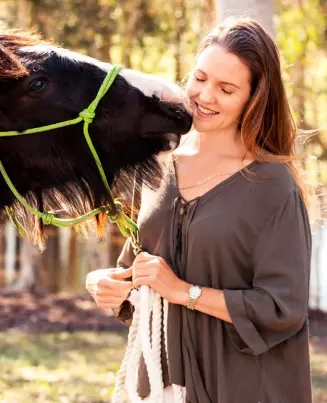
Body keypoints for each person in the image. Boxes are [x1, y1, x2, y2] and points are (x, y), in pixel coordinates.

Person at [86, 17, 315, 403]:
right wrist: (109, 285)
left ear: (253, 98)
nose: (205, 96)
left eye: (226, 89)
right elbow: (143, 269)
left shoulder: (273, 185)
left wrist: (184, 292)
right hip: (163, 388)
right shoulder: (158, 163)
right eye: (201, 78)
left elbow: (282, 306)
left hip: (244, 387)